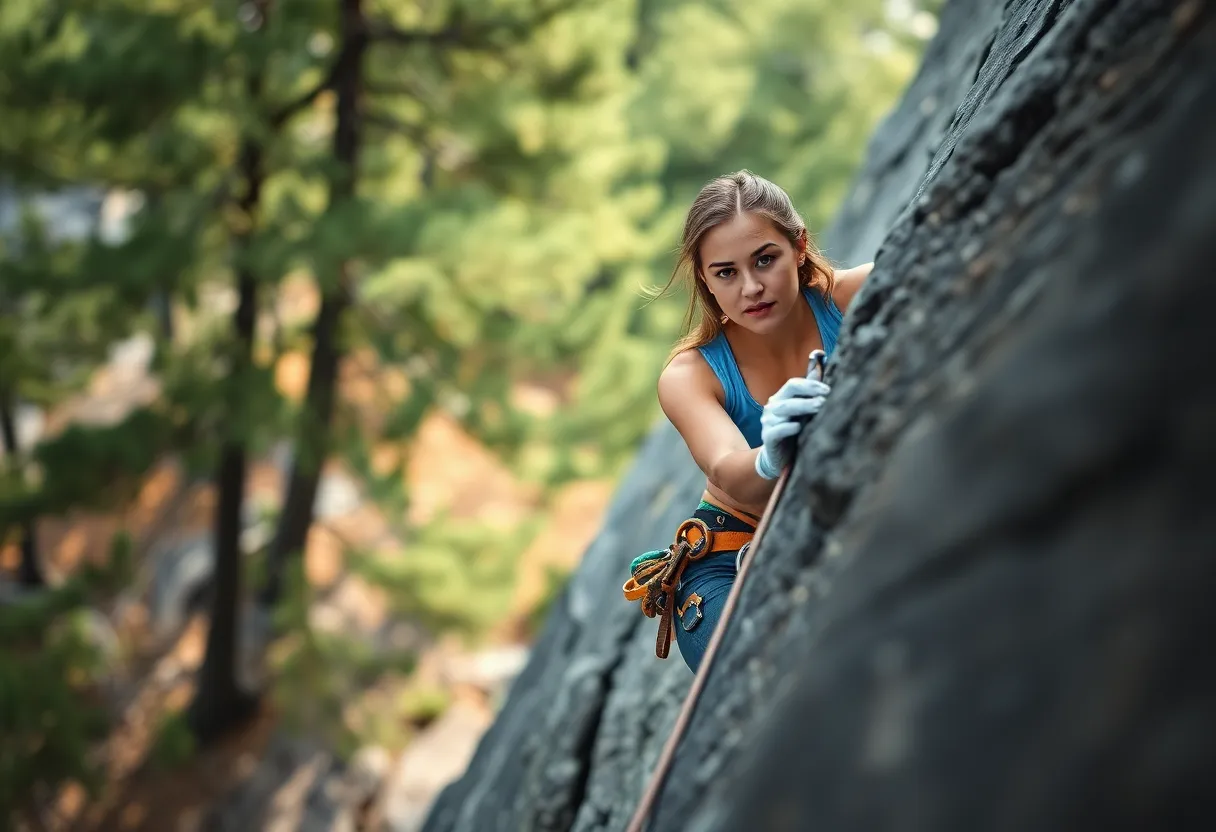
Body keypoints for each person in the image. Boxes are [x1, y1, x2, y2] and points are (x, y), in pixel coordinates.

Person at [627, 170, 872, 673]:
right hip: (729, 558)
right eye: (725, 273)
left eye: (766, 259)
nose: (752, 287)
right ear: (705, 281)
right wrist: (769, 457)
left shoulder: (857, 297)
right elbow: (725, 467)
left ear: (799, 247)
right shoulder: (690, 375)